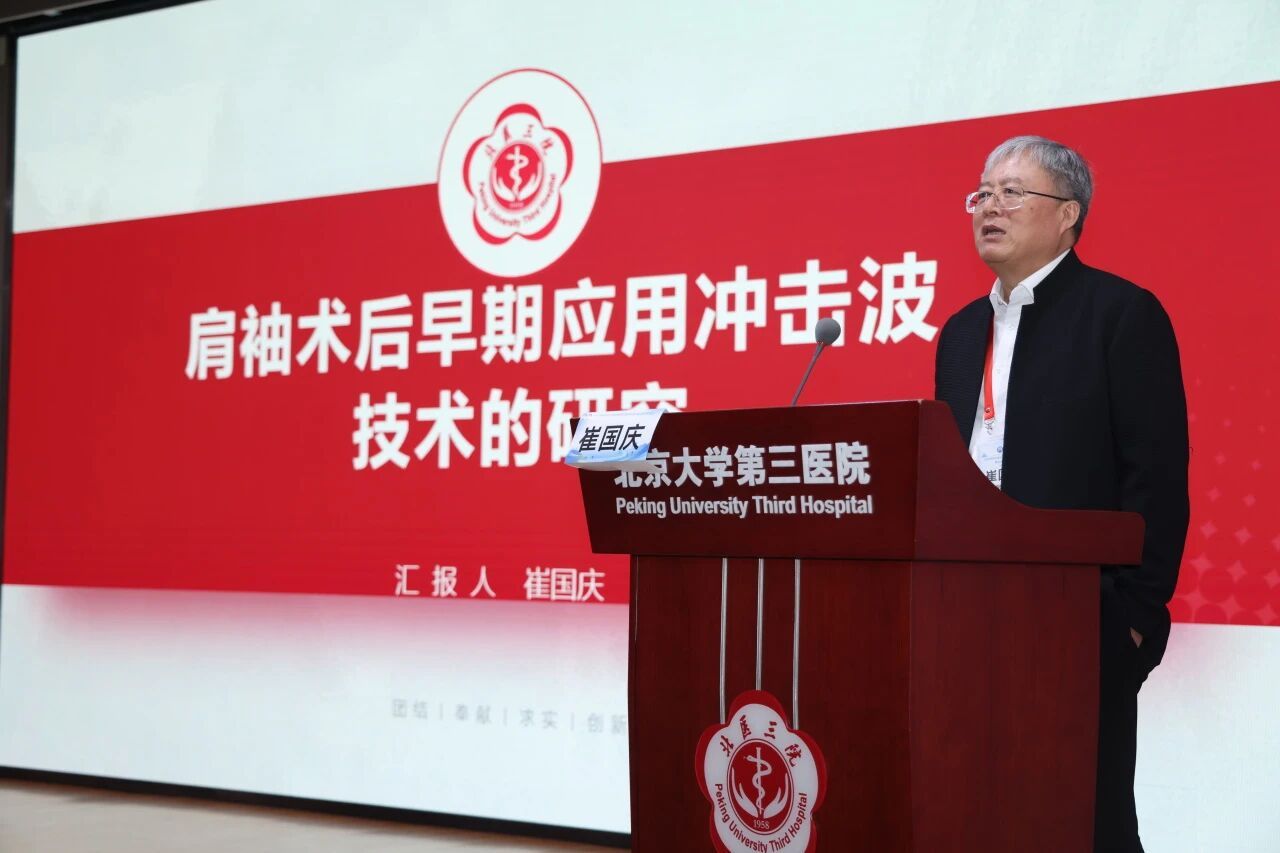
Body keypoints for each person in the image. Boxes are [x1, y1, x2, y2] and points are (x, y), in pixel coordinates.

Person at [933, 136, 1190, 853]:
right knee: (979, 812)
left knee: (1086, 821)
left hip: (1081, 620)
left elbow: (1157, 477)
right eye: (982, 193)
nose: (989, 206)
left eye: (1012, 192)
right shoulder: (960, 334)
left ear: (1068, 214)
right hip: (964, 620)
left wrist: (1132, 615)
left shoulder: (1121, 314)